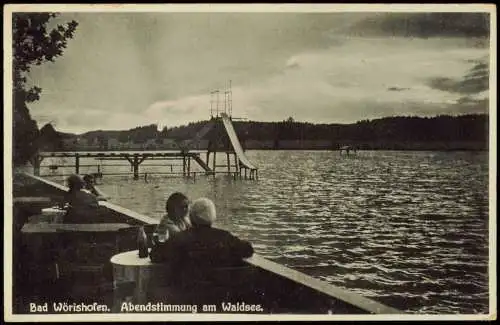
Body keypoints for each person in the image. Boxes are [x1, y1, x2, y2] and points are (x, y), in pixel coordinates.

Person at [149, 197, 254, 267]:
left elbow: (155, 255)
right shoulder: (225, 237)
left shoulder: (179, 238)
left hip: (185, 295)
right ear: (213, 217)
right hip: (218, 295)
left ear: (191, 216)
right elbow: (248, 249)